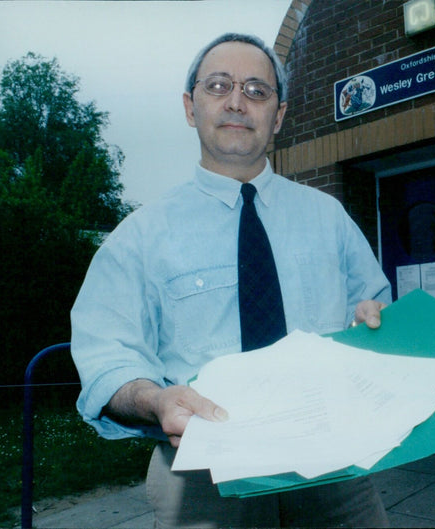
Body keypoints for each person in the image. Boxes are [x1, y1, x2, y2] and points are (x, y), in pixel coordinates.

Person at [70, 33, 392, 528]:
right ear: (189, 106)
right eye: (219, 86)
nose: (238, 102)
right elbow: (108, 356)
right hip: (203, 478)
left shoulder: (329, 217)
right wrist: (155, 400)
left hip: (336, 470)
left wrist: (376, 322)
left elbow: (373, 305)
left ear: (278, 116)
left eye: (257, 91)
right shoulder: (137, 238)